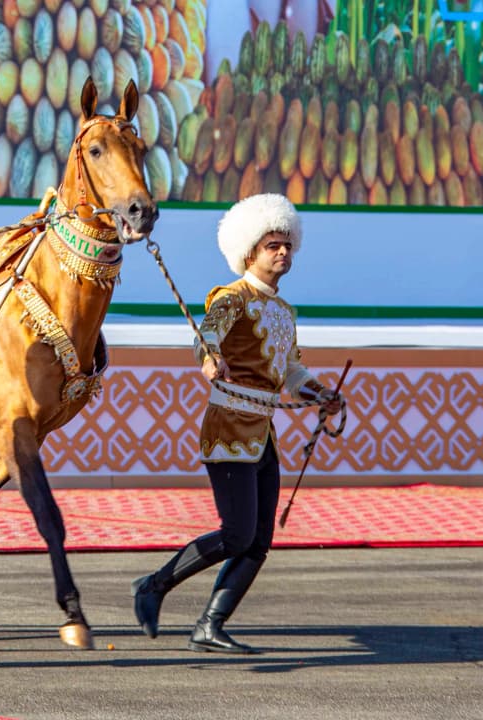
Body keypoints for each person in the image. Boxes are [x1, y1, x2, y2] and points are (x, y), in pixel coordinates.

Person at [130, 193, 341, 653]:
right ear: (250, 251)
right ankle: (153, 585)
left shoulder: (285, 313)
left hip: (262, 434)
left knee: (258, 541)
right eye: (272, 245)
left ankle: (210, 624)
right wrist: (211, 362)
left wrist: (320, 394)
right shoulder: (231, 298)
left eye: (287, 245)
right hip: (228, 428)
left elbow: (291, 371)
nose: (283, 252)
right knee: (236, 533)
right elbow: (206, 338)